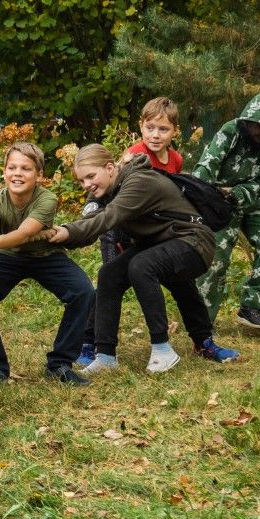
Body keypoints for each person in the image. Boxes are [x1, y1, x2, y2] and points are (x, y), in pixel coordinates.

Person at [47, 145, 239, 374]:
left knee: (143, 265)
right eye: (81, 180)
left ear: (110, 168)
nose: (86, 184)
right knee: (110, 273)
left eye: (90, 176)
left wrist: (67, 232)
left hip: (193, 241)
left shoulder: (139, 182)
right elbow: (92, 221)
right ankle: (105, 356)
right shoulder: (105, 190)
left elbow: (109, 217)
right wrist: (59, 235)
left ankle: (163, 349)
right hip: (158, 243)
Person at [0, 141, 93, 387]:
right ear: (4, 171)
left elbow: (24, 234)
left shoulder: (47, 199)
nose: (17, 173)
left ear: (39, 174)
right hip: (6, 257)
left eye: (25, 168)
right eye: (12, 167)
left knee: (83, 291)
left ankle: (60, 364)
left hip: (45, 256)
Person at [80, 98, 184, 366]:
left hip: (150, 232)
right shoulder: (134, 155)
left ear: (174, 131)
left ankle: (200, 337)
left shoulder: (175, 159)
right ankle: (89, 342)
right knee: (109, 281)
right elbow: (106, 188)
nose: (155, 135)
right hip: (118, 230)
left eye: (163, 129)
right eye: (150, 128)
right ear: (141, 126)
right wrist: (90, 212)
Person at [193, 92, 260, 333]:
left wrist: (241, 193)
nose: (257, 131)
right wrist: (198, 195)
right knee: (215, 256)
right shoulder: (231, 131)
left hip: (249, 198)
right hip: (218, 197)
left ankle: (253, 306)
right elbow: (208, 163)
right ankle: (202, 321)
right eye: (254, 124)